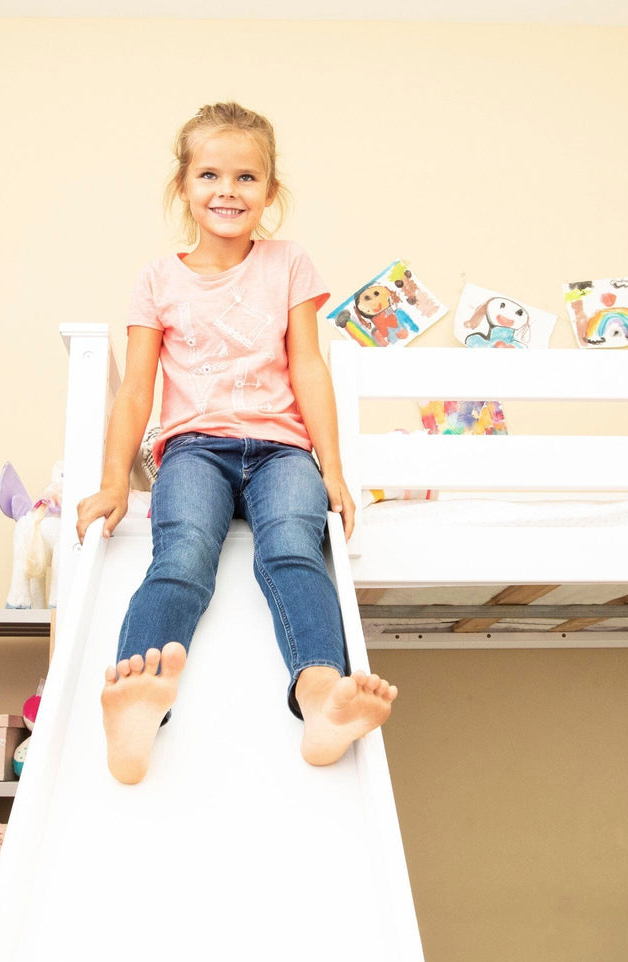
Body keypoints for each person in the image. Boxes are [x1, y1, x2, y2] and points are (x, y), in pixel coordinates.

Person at [76, 101, 397, 785]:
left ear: (271, 192)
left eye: (247, 178)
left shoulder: (289, 264)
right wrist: (112, 482)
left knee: (292, 550)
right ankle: (135, 705)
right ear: (184, 186)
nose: (228, 191)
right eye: (211, 175)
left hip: (282, 451)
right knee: (184, 554)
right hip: (194, 448)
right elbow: (135, 391)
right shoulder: (157, 280)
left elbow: (309, 366)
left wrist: (332, 468)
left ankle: (320, 700)